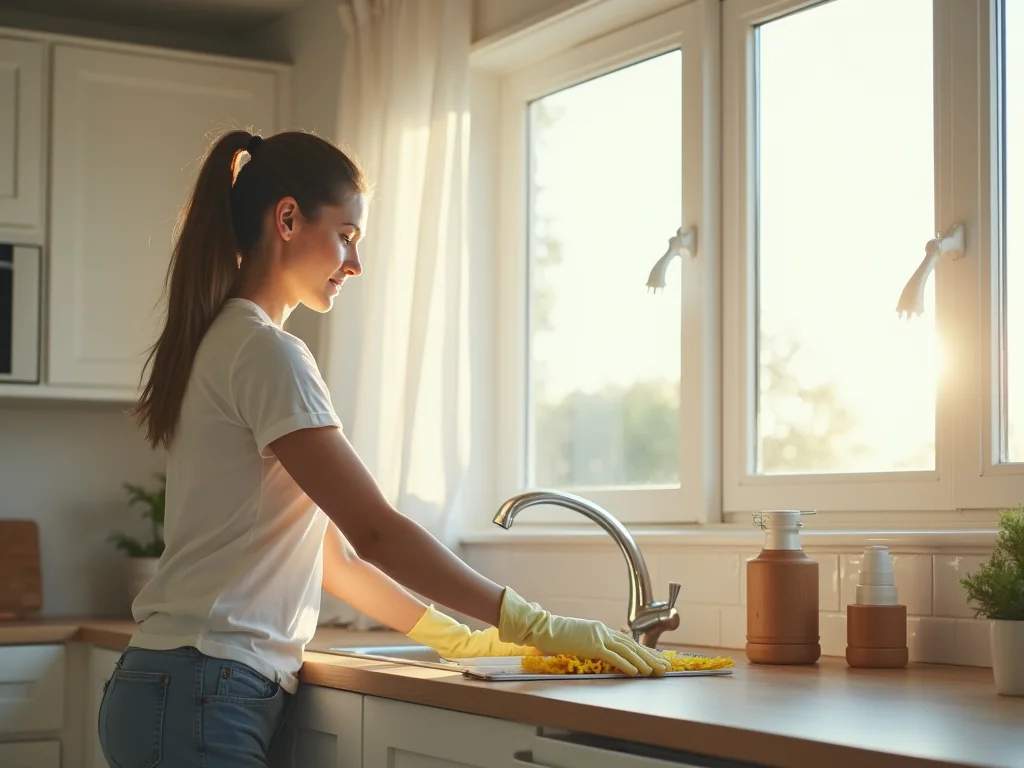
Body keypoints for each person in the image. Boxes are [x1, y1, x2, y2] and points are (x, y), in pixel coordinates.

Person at [97, 129, 668, 767]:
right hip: (205, 688)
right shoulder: (266, 352)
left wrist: (456, 638)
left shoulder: (224, 341)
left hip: (178, 683)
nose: (355, 264)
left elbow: (335, 559)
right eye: (346, 235)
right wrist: (533, 623)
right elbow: (375, 531)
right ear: (287, 219)